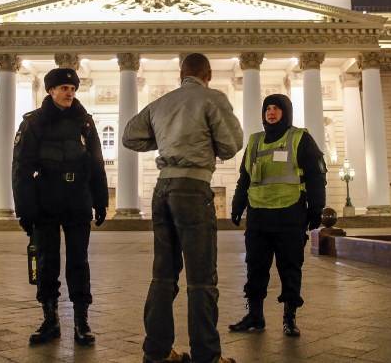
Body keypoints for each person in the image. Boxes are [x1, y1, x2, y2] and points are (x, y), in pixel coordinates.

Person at [123, 53, 243, 363]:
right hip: (193, 188)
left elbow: (130, 136)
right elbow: (231, 144)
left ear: (181, 73)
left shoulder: (162, 102)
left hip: (162, 189)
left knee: (163, 275)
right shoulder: (211, 98)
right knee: (201, 277)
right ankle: (206, 355)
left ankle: (158, 352)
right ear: (209, 74)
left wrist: (166, 140)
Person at [12, 67, 108, 346]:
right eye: (64, 88)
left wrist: (100, 199)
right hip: (46, 199)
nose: (69, 93)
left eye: (73, 89)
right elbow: (21, 168)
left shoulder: (85, 122)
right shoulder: (34, 122)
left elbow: (96, 163)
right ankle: (50, 319)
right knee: (46, 261)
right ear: (51, 91)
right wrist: (25, 208)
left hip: (77, 198)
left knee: (79, 261)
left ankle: (81, 321)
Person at [228, 94, 326, 337]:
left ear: (286, 112)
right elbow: (245, 177)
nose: (271, 113)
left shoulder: (300, 138)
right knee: (255, 268)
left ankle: (289, 318)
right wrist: (237, 205)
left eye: (276, 109)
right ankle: (254, 315)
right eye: (267, 108)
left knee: (290, 268)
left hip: (290, 214)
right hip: (259, 215)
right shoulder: (255, 141)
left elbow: (316, 176)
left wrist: (315, 209)